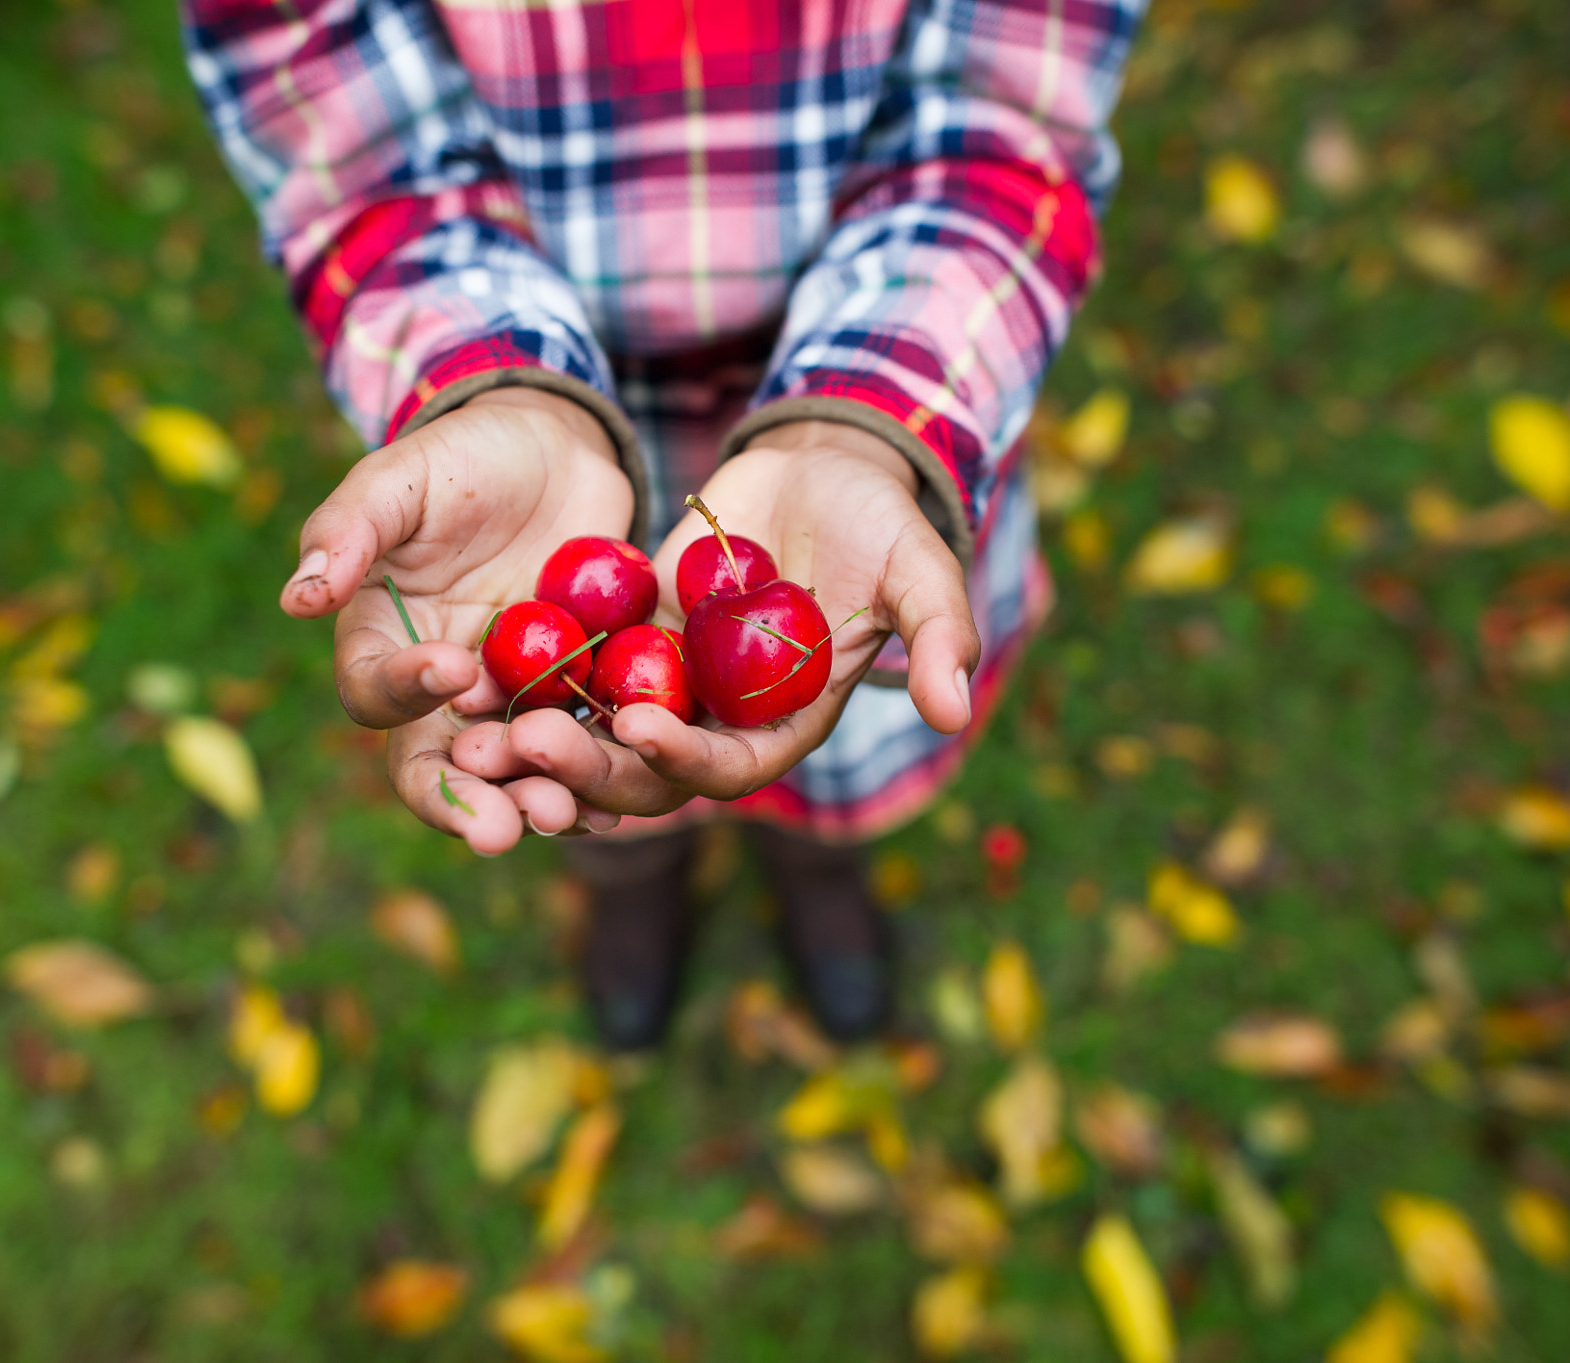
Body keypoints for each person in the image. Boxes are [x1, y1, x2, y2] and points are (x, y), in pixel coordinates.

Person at [183, 0, 1141, 1049]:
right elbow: (356, 160)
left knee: (834, 710)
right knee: (576, 751)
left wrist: (868, 419)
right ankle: (635, 880)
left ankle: (816, 868)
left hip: (866, 409)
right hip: (549, 415)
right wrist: (491, 384)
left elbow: (1001, 131)